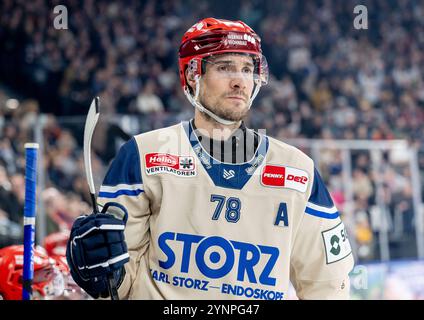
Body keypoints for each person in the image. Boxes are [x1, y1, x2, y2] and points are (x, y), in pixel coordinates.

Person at [66, 17, 354, 300]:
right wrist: (100, 272)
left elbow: (328, 285)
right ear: (193, 74)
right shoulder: (143, 154)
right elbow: (116, 283)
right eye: (225, 67)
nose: (240, 81)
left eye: (247, 69)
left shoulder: (298, 170)